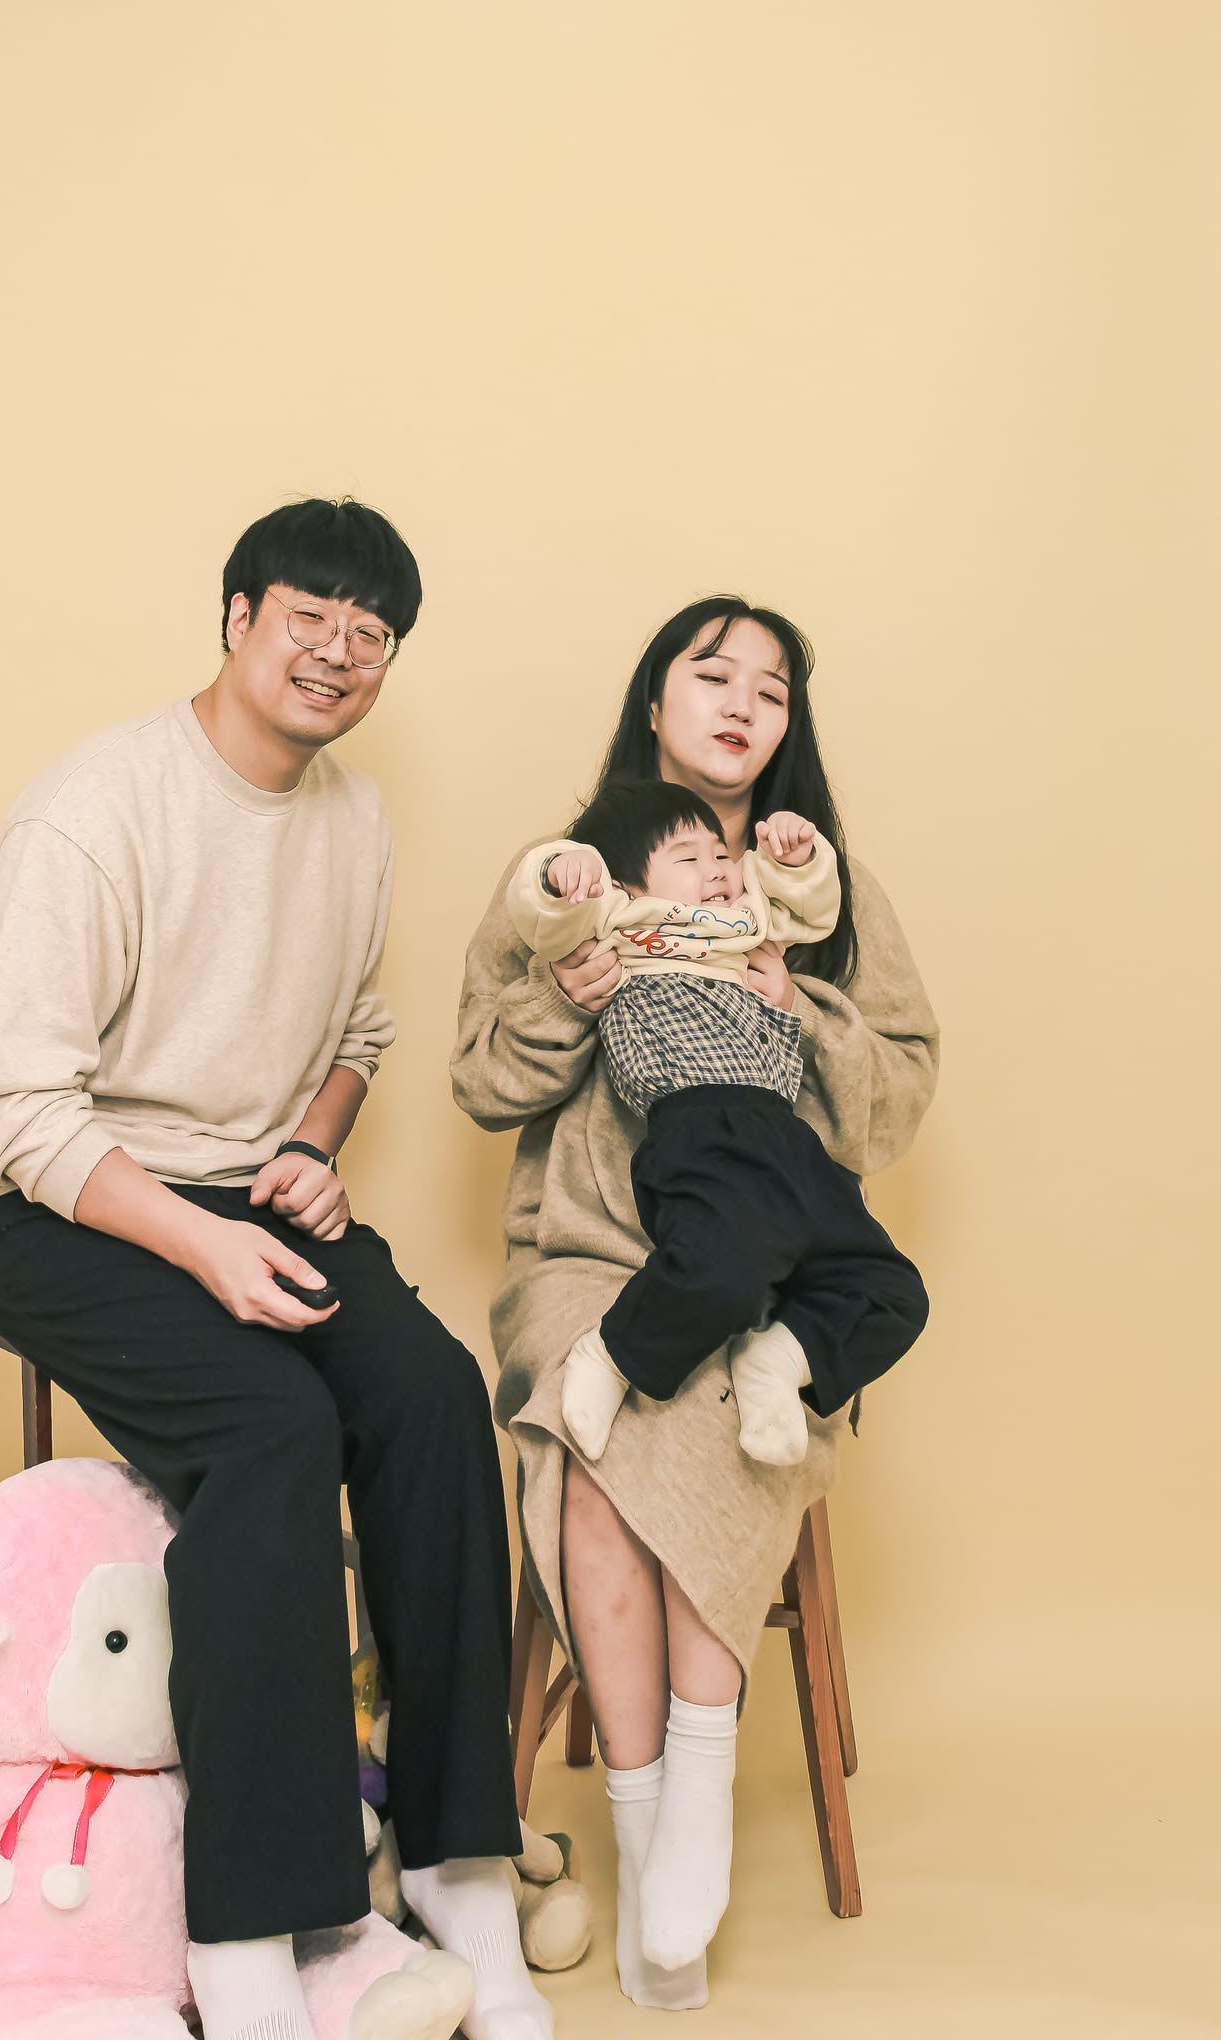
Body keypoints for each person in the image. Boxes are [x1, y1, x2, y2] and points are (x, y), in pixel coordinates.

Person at [0, 499, 551, 2040]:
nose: (338, 652)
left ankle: (457, 1859)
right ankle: (259, 1935)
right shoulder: (94, 809)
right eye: (307, 617)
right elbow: (10, 1110)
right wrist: (205, 1242)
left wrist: (313, 1148)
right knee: (272, 1424)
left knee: (429, 1394)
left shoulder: (354, 818)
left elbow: (356, 1029)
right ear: (235, 618)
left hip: (243, 1188)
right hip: (44, 1197)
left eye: (370, 632)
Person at [452, 598, 939, 2012]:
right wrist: (568, 995)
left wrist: (802, 1011)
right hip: (585, 1257)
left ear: (788, 730)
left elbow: (901, 1088)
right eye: (711, 675)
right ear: (654, 702)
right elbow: (479, 1081)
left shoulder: (815, 887)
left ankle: (698, 1804)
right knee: (593, 1427)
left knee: (727, 1409)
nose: (740, 704)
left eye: (770, 691)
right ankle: (647, 1816)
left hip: (764, 1261)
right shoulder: (566, 877)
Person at [505, 778, 927, 1468]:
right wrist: (560, 871)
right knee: (727, 1267)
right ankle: (613, 1355)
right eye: (688, 857)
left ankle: (775, 1360)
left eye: (721, 854)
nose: (718, 870)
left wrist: (795, 859)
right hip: (695, 1123)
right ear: (626, 884)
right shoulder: (620, 919)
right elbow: (543, 916)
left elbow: (809, 906)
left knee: (891, 1289)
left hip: (786, 1133)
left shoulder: (747, 918)